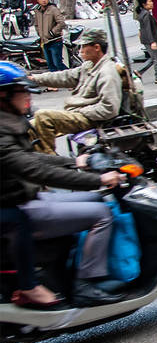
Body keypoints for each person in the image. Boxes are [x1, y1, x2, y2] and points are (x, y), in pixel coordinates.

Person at [0, 61, 126, 307]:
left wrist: (75, 162)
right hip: (18, 206)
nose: (27, 97)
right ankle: (86, 284)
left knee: (99, 200)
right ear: (3, 95)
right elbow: (35, 170)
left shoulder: (8, 125)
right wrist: (98, 179)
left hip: (25, 199)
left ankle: (71, 268)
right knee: (102, 214)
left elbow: (31, 159)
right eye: (21, 92)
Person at [28, 28, 123, 154]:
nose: (81, 51)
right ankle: (40, 158)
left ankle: (52, 161)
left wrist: (81, 111)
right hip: (76, 114)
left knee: (43, 116)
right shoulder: (89, 66)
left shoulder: (107, 72)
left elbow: (109, 108)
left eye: (84, 47)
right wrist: (34, 79)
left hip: (89, 119)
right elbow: (65, 76)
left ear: (96, 47)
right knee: (30, 126)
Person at [33, 0, 67, 73]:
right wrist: (40, 34)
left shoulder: (53, 9)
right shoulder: (37, 11)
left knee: (58, 64)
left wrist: (52, 32)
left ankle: (71, 78)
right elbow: (36, 24)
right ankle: (55, 84)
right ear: (37, 0)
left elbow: (61, 23)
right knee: (50, 65)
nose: (44, 0)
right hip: (45, 41)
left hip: (55, 41)